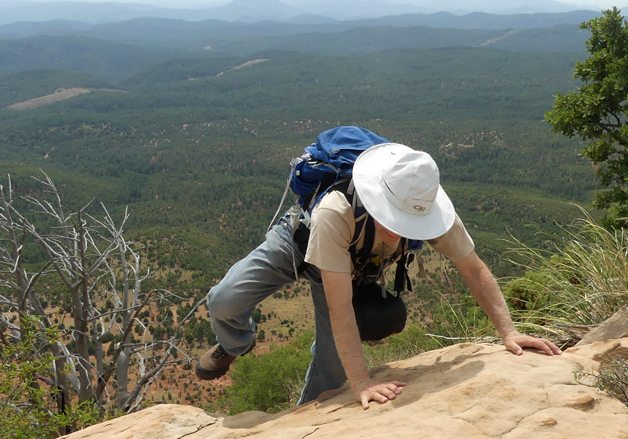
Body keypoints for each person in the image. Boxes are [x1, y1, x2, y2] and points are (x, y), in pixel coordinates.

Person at [195, 139, 561, 409]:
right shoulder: (335, 212)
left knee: (330, 370)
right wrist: (363, 381)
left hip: (348, 270)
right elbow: (341, 309)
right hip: (297, 243)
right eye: (391, 220)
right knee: (225, 300)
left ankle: (304, 419)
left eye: (408, 224)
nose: (398, 233)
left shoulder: (427, 208)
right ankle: (234, 345)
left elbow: (474, 269)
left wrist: (509, 332)